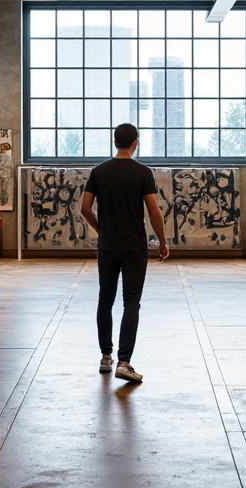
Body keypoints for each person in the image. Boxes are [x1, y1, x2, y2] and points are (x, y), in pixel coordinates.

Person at [80, 123, 169, 383]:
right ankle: (125, 362)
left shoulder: (98, 171)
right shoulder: (143, 173)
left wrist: (100, 227)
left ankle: (105, 357)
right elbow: (153, 211)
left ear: (114, 141)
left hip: (107, 246)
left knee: (104, 300)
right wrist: (162, 242)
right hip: (134, 247)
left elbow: (85, 207)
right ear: (136, 143)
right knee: (131, 302)